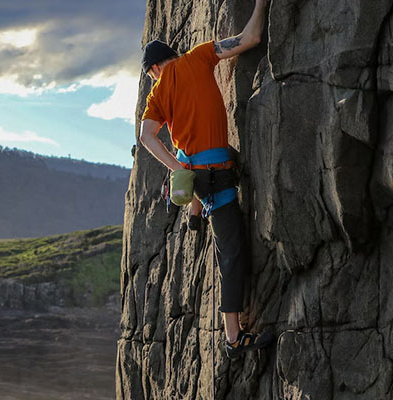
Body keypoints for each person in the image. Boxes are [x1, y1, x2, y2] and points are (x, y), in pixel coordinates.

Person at [139, 0, 273, 359]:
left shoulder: (157, 93)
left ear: (153, 68)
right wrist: (261, 4)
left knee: (186, 160)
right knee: (229, 254)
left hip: (198, 178)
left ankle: (194, 213)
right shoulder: (199, 56)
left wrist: (177, 169)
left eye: (151, 73)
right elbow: (251, 37)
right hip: (217, 177)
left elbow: (146, 137)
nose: (154, 78)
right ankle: (233, 338)